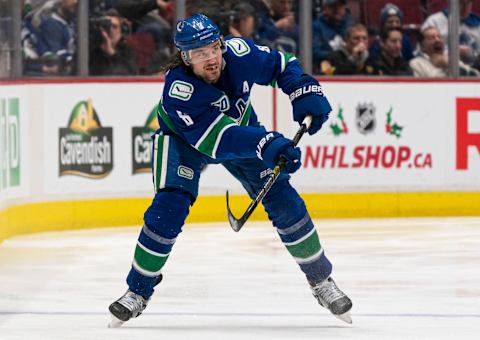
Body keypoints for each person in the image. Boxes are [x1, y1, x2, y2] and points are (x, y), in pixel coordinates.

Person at [108, 13, 353, 327]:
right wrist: (267, 143)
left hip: (241, 129)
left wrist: (302, 89)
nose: (211, 58)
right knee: (168, 207)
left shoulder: (238, 54)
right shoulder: (179, 91)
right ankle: (137, 291)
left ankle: (321, 281)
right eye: (200, 53)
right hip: (183, 141)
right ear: (185, 58)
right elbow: (218, 141)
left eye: (213, 47)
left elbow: (282, 64)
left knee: (282, 196)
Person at [422, 0, 480, 68]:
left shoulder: (478, 23)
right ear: (450, 3)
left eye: (468, 3)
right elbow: (425, 53)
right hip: (443, 70)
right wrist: (454, 52)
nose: (465, 7)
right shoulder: (433, 22)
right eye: (460, 3)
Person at [410, 26, 480, 77]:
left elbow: (476, 75)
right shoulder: (417, 63)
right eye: (431, 38)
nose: (437, 40)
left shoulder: (451, 60)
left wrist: (448, 64)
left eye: (439, 37)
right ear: (422, 46)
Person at [89, 9, 138, 75]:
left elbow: (127, 76)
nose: (110, 30)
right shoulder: (90, 51)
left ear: (121, 31)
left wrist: (111, 54)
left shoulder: (128, 52)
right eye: (106, 26)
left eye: (115, 27)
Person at [312, 0, 353, 73]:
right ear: (324, 8)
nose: (337, 9)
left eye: (340, 6)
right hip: (324, 74)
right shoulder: (316, 27)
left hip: (349, 71)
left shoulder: (349, 26)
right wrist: (330, 55)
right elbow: (313, 52)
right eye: (333, 6)